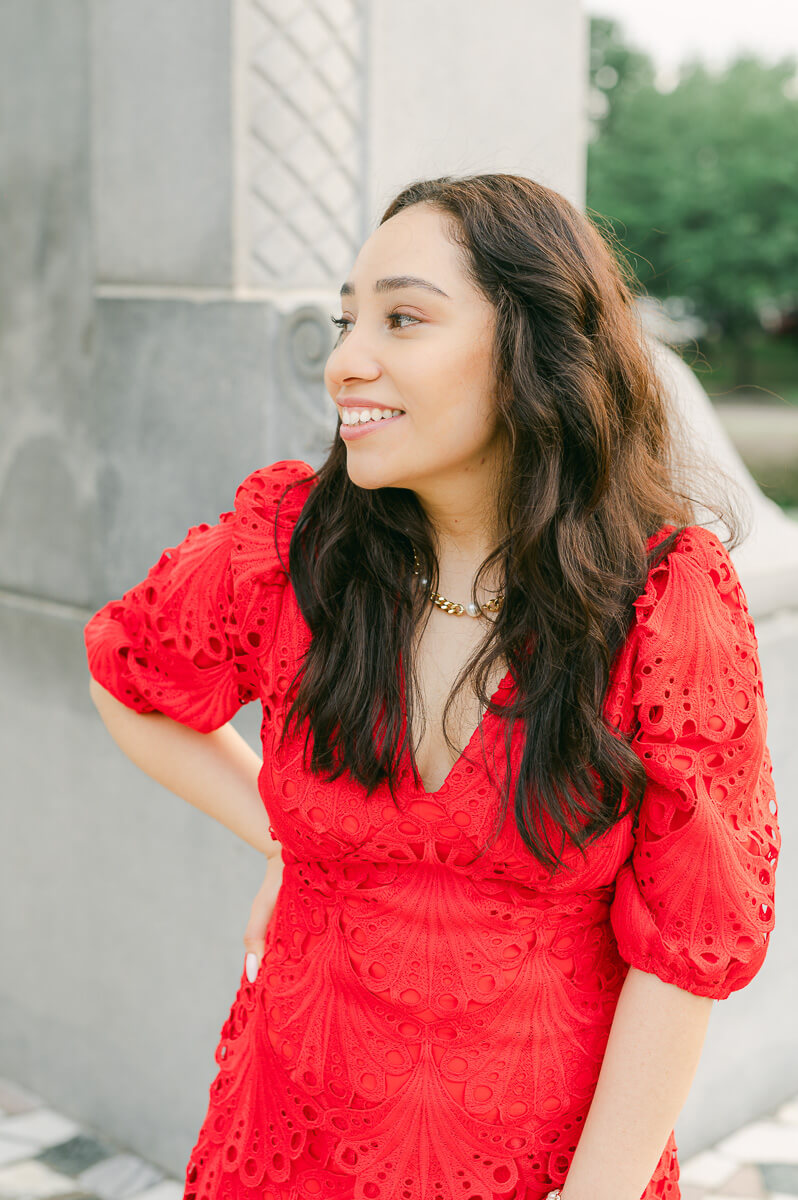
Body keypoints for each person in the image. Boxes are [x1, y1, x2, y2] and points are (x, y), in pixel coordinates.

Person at [84, 174, 780, 1200]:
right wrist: (292, 841)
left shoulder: (664, 600)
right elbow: (130, 676)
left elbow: (685, 952)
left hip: (549, 1167)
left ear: (535, 346)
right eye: (345, 319)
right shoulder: (290, 552)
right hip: (284, 1145)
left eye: (402, 318)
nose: (345, 362)